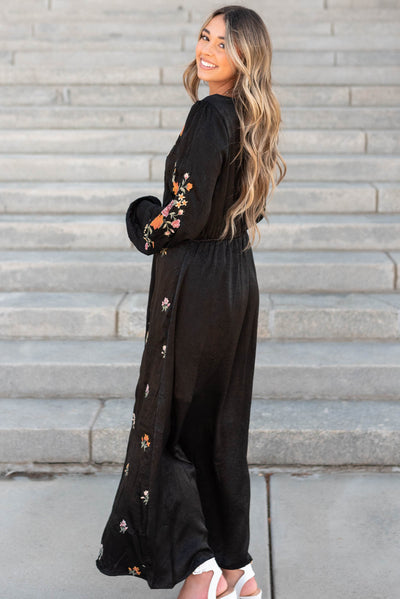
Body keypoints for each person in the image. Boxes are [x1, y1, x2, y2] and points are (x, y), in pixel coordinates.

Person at [95, 5, 286, 598]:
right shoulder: (249, 117)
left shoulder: (209, 114)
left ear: (244, 57)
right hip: (233, 281)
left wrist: (142, 219)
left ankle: (197, 569)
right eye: (204, 36)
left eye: (222, 44)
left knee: (172, 426)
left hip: (197, 285)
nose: (207, 49)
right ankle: (238, 570)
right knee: (217, 427)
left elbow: (184, 215)